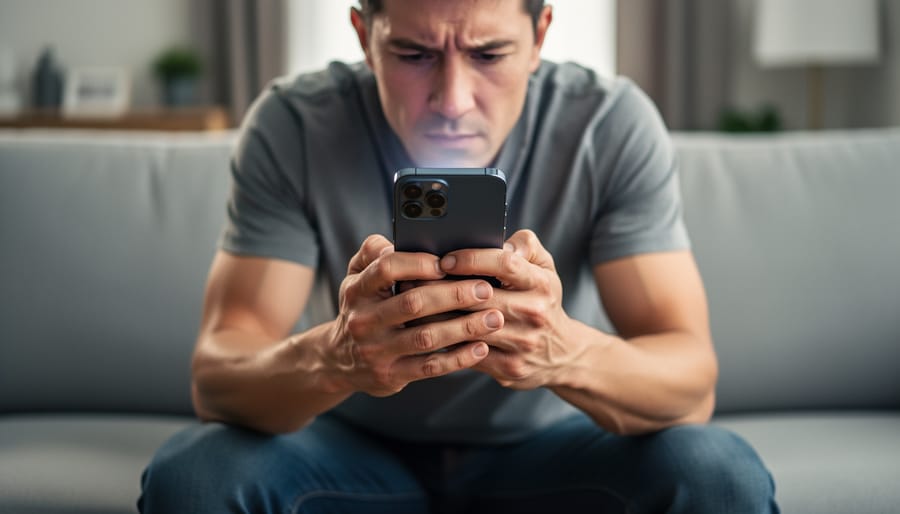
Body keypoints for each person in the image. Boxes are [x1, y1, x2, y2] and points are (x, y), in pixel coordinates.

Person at [139, 1, 778, 512]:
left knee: (719, 475)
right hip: (352, 447)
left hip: (553, 446)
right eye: (412, 54)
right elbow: (218, 377)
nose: (452, 100)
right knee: (194, 476)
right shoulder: (293, 125)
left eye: (489, 54)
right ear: (364, 37)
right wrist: (337, 357)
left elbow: (691, 382)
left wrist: (561, 351)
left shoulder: (608, 125)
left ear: (540, 35)